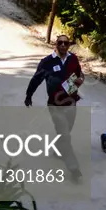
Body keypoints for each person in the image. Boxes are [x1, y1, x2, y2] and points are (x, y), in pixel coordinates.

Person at [24, 34, 85, 181]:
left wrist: (80, 80)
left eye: (66, 43)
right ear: (55, 44)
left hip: (71, 103)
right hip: (55, 105)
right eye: (60, 43)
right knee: (65, 135)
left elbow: (80, 74)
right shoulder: (47, 62)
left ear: (69, 45)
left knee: (66, 131)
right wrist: (28, 95)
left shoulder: (73, 59)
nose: (63, 45)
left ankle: (58, 149)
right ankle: (74, 168)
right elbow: (36, 79)